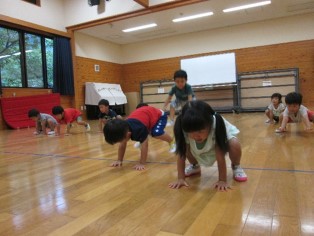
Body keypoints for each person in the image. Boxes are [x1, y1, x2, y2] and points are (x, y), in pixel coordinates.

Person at [168, 101, 247, 191]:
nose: (195, 136)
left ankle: (236, 166)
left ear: (209, 124)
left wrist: (222, 180)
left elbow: (220, 155)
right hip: (198, 147)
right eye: (191, 133)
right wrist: (180, 178)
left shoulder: (216, 125)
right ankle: (195, 166)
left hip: (218, 143)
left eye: (200, 131)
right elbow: (181, 154)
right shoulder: (184, 126)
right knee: (185, 146)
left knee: (234, 143)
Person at [104, 105, 176, 171]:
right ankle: (141, 137)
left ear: (128, 134)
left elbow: (145, 145)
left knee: (156, 133)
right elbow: (122, 145)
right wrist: (119, 160)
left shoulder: (138, 128)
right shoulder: (123, 129)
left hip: (160, 115)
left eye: (120, 141)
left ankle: (172, 142)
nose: (121, 143)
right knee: (144, 134)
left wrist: (142, 163)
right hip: (145, 117)